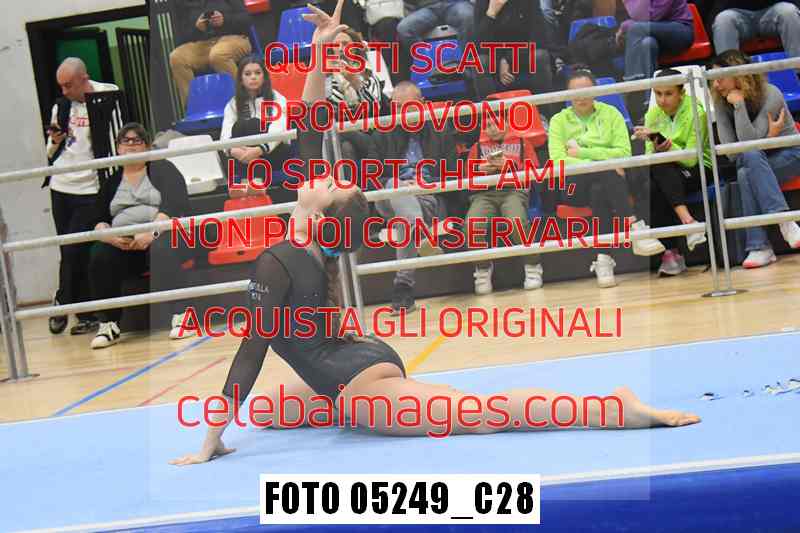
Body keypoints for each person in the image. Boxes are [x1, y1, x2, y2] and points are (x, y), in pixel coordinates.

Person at [170, 1, 700, 466]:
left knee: (481, 414)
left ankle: (609, 407)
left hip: (361, 385)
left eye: (329, 182)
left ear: (321, 215)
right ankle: (346, 398)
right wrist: (320, 50)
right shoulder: (310, 240)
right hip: (354, 359)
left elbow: (250, 354)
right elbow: (311, 122)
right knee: (271, 411)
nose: (324, 174)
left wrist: (210, 440)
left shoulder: (281, 258)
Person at [548, 70, 669, 288]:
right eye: (575, 92)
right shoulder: (558, 121)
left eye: (586, 90)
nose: (581, 97)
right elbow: (559, 161)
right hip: (574, 185)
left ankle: (603, 260)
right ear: (567, 94)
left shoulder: (611, 113)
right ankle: (635, 228)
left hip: (607, 183)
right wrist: (603, 160)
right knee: (606, 171)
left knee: (599, 190)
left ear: (596, 91)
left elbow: (624, 153)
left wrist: (582, 152)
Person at [87, 124, 198, 348]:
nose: (131, 145)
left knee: (162, 249)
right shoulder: (111, 181)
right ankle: (108, 324)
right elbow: (97, 218)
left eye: (137, 141)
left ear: (147, 146)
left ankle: (182, 316)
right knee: (99, 255)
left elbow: (174, 206)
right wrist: (110, 237)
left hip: (163, 234)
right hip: (124, 243)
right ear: (118, 148)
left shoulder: (163, 169)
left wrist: (151, 233)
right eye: (125, 141)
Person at [45, 57, 120, 337]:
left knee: (75, 249)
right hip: (61, 185)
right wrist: (54, 141)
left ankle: (62, 300)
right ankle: (83, 314)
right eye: (61, 86)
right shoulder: (61, 106)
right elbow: (50, 151)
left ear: (84, 78)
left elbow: (117, 137)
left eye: (69, 85)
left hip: (90, 187)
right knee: (68, 250)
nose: (64, 91)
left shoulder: (108, 96)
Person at [709, 50, 800, 268]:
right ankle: (785, 222)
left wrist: (739, 106)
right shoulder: (721, 102)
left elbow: (747, 144)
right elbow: (732, 152)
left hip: (791, 154)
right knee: (747, 167)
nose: (716, 85)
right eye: (713, 79)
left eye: (720, 78)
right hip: (756, 160)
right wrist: (766, 138)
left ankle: (760, 247)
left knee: (746, 170)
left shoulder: (771, 94)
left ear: (738, 75)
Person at [370, 81, 454, 314]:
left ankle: (403, 288)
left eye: (409, 106)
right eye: (398, 107)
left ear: (423, 105)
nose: (403, 112)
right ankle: (421, 233)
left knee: (403, 221)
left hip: (427, 198)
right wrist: (399, 184)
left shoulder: (440, 131)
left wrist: (425, 184)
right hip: (388, 197)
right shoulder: (381, 133)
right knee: (396, 186)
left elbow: (453, 174)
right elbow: (371, 178)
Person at [631, 69, 712, 276]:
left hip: (697, 170)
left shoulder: (697, 113)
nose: (662, 100)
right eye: (658, 94)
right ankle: (689, 225)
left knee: (658, 173)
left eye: (668, 94)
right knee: (653, 180)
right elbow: (649, 156)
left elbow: (691, 158)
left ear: (681, 93)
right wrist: (657, 146)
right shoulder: (652, 114)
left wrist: (664, 143)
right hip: (666, 172)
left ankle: (671, 252)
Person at [467, 113, 544, 294]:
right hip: (484, 194)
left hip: (514, 191)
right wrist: (480, 169)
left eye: (496, 123)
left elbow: (534, 171)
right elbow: (466, 178)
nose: (492, 129)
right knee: (471, 225)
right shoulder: (477, 148)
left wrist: (510, 166)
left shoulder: (523, 143)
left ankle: (532, 265)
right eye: (487, 125)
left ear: (507, 123)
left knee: (516, 221)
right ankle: (483, 268)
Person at [221, 55, 290, 198]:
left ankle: (255, 181)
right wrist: (233, 150)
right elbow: (226, 132)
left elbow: (279, 128)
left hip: (273, 152)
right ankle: (248, 183)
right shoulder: (233, 104)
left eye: (258, 73)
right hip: (243, 154)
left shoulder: (277, 98)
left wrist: (260, 149)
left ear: (264, 77)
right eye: (247, 74)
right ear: (241, 79)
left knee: (253, 124)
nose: (253, 77)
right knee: (240, 126)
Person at [169, 0, 253, 108]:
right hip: (203, 44)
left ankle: (244, 104)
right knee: (176, 57)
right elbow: (182, 38)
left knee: (217, 55)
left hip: (234, 38)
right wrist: (197, 29)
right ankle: (195, 108)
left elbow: (246, 19)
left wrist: (225, 19)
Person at [617, 0, 695, 116]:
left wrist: (626, 25)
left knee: (635, 29)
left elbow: (651, 17)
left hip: (680, 30)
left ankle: (632, 87)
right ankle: (649, 104)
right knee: (647, 44)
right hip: (653, 34)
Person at [695, 0, 800, 59]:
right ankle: (731, 79)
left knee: (789, 12)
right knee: (723, 20)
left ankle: (797, 71)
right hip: (736, 14)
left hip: (774, 9)